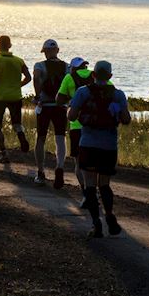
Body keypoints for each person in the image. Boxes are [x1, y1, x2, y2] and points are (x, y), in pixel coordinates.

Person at [67, 60, 131, 238]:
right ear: (110, 76)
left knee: (90, 185)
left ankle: (96, 224)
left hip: (87, 143)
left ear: (93, 75)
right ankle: (109, 214)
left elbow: (72, 115)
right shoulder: (118, 95)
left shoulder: (83, 92)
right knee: (104, 184)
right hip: (109, 146)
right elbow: (126, 119)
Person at [56, 56, 97, 204]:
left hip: (77, 127)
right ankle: (94, 190)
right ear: (85, 67)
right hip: (96, 126)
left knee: (79, 163)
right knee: (94, 162)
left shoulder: (69, 77)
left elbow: (58, 99)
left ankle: (86, 193)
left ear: (73, 68)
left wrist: (70, 103)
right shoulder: (95, 76)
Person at [0, 35, 31, 164]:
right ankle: (21, 136)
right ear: (10, 46)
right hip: (15, 96)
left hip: (0, 97)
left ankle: (4, 153)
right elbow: (28, 77)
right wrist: (18, 85)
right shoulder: (19, 61)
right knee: (17, 124)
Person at [32, 38, 69, 187]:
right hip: (61, 106)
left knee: (41, 138)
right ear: (58, 51)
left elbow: (36, 78)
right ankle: (59, 167)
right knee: (60, 138)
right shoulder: (67, 66)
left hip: (45, 105)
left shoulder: (39, 65)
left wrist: (37, 95)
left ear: (45, 52)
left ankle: (40, 172)